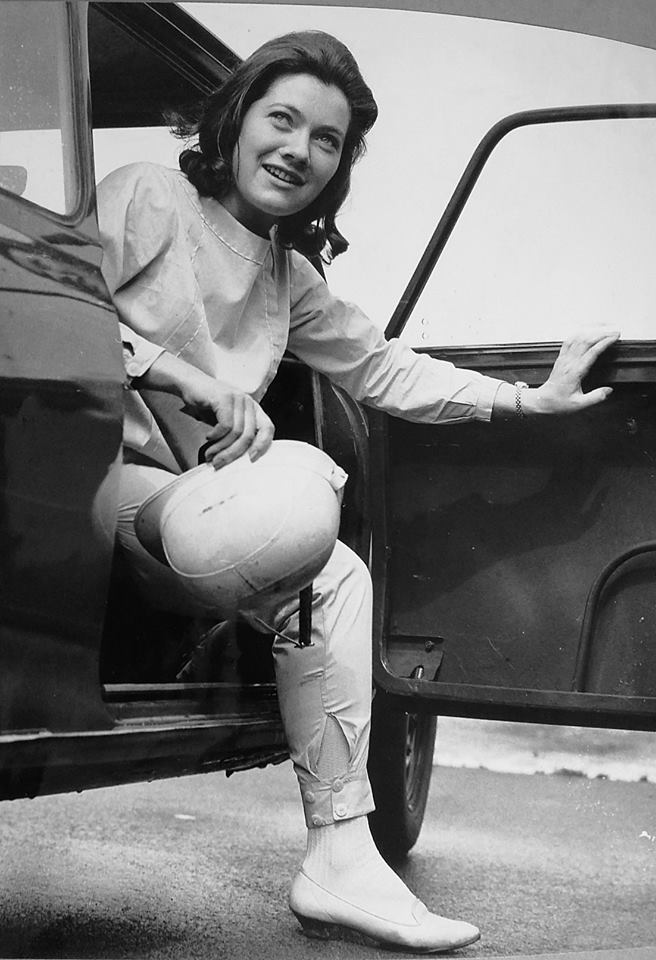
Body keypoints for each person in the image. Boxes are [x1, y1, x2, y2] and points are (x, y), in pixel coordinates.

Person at [97, 30, 618, 954]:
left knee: (337, 576)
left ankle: (339, 858)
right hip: (84, 487)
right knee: (300, 487)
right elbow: (46, 303)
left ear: (338, 168)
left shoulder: (287, 278)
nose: (298, 150)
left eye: (327, 141)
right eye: (282, 120)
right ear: (236, 119)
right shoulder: (147, 196)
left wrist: (526, 400)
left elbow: (383, 369)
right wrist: (182, 375)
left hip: (196, 517)